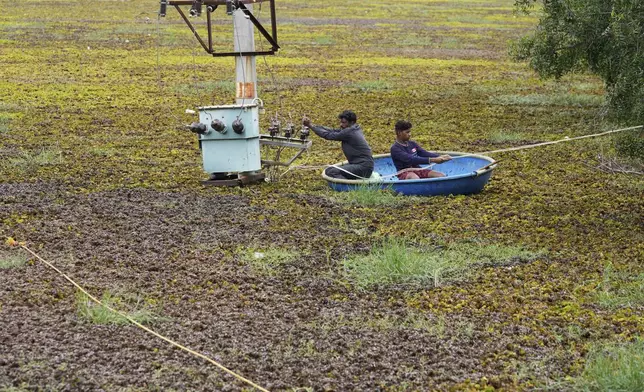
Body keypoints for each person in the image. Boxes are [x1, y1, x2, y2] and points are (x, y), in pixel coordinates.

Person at [303, 110, 374, 180]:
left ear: (351, 122)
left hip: (363, 168)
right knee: (330, 170)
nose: (341, 125)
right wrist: (312, 125)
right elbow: (332, 130)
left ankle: (349, 187)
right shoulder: (355, 128)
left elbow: (328, 135)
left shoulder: (349, 132)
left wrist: (310, 125)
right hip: (364, 166)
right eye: (341, 122)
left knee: (331, 172)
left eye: (344, 123)